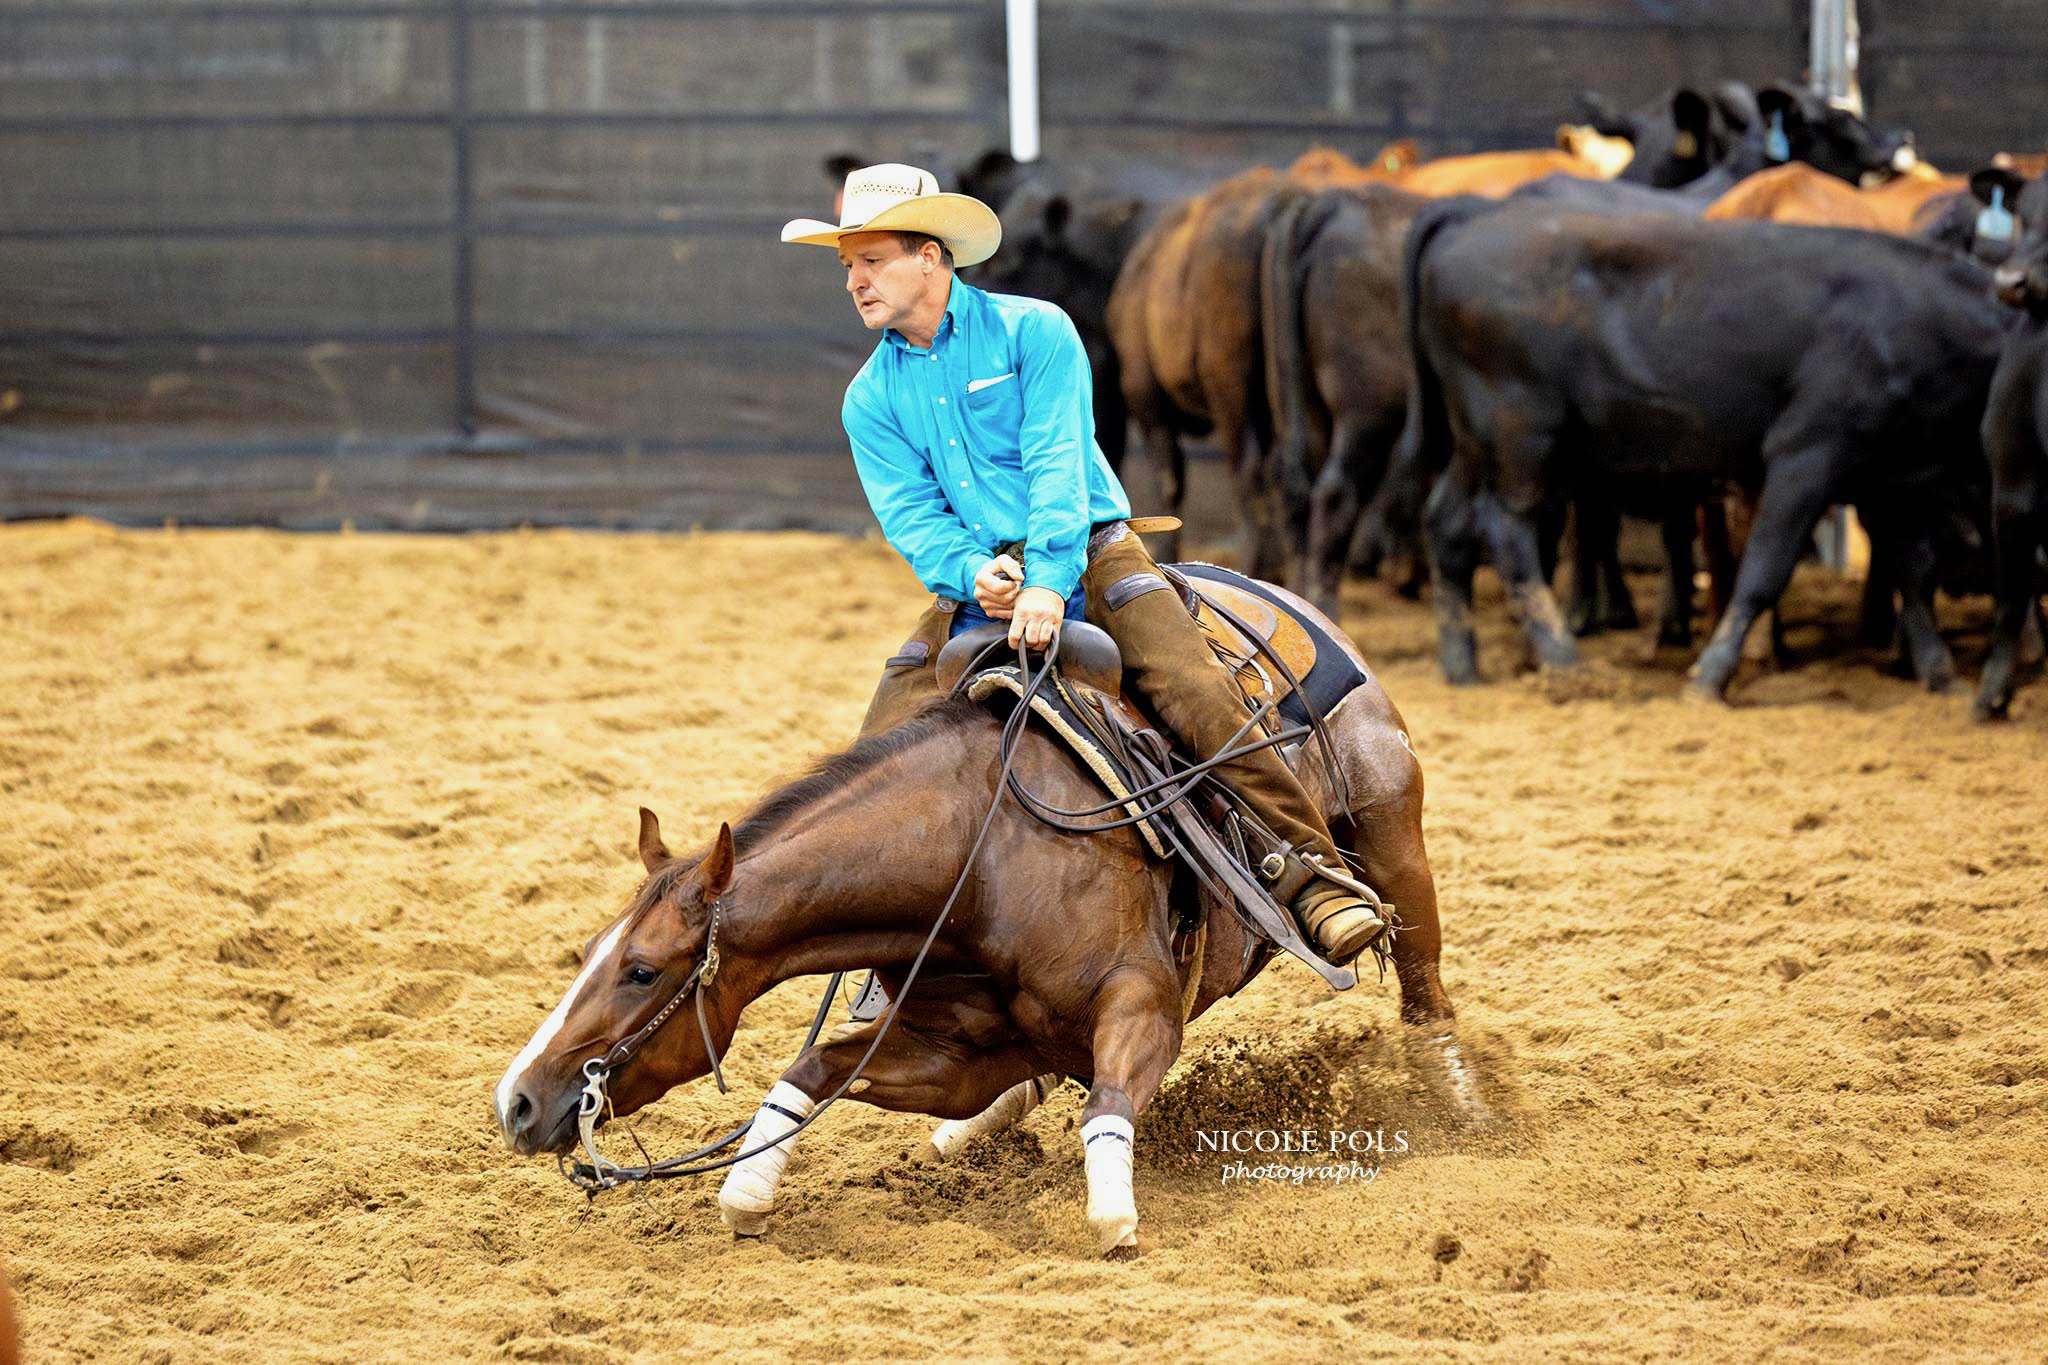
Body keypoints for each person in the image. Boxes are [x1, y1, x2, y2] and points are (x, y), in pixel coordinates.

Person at [780, 163, 1384, 965]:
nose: (855, 281)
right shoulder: (869, 397)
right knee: (877, 748)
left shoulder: (1035, 331)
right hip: (985, 579)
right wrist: (970, 571)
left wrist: (1048, 581)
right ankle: (894, 956)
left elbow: (1058, 463)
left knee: (1196, 689)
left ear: (932, 256)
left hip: (1090, 548)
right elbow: (914, 517)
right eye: (846, 265)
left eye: (873, 259)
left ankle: (1312, 875)